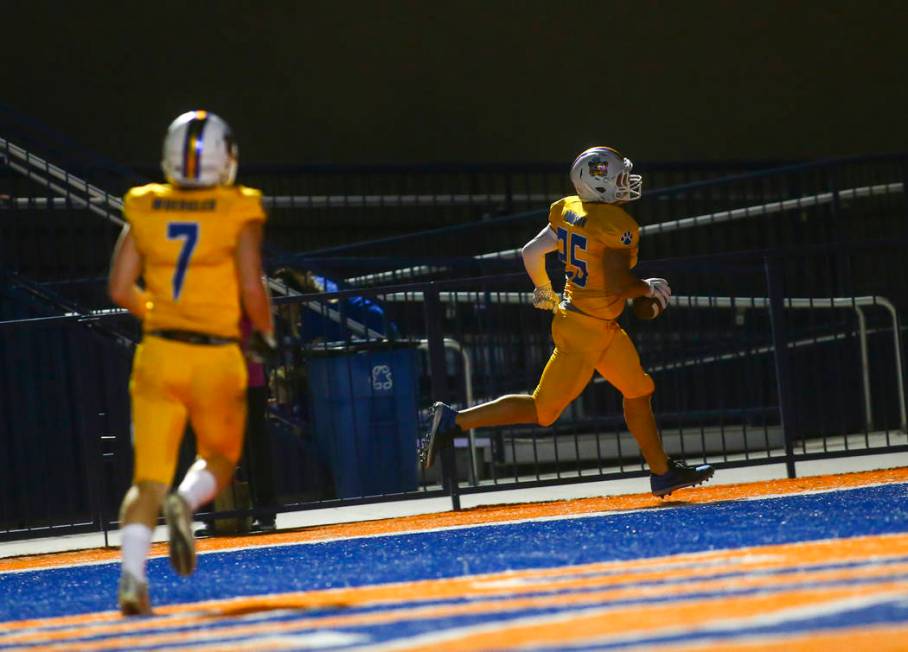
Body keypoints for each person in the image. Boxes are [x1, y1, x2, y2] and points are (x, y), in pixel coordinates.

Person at [418, 146, 714, 497]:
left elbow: (530, 252)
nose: (626, 183)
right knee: (542, 410)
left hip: (592, 322)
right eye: (619, 178)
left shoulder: (567, 208)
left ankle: (662, 472)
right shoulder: (617, 225)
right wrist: (645, 288)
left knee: (639, 390)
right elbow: (620, 283)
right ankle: (454, 420)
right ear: (599, 185)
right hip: (587, 330)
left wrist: (544, 290)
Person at [108, 110, 275, 615]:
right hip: (216, 353)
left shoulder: (145, 203)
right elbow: (251, 285)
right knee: (221, 459)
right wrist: (265, 331)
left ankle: (133, 579)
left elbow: (119, 288)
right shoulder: (235, 207)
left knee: (145, 482)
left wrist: (159, 313)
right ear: (225, 158)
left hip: (159, 350)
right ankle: (187, 498)